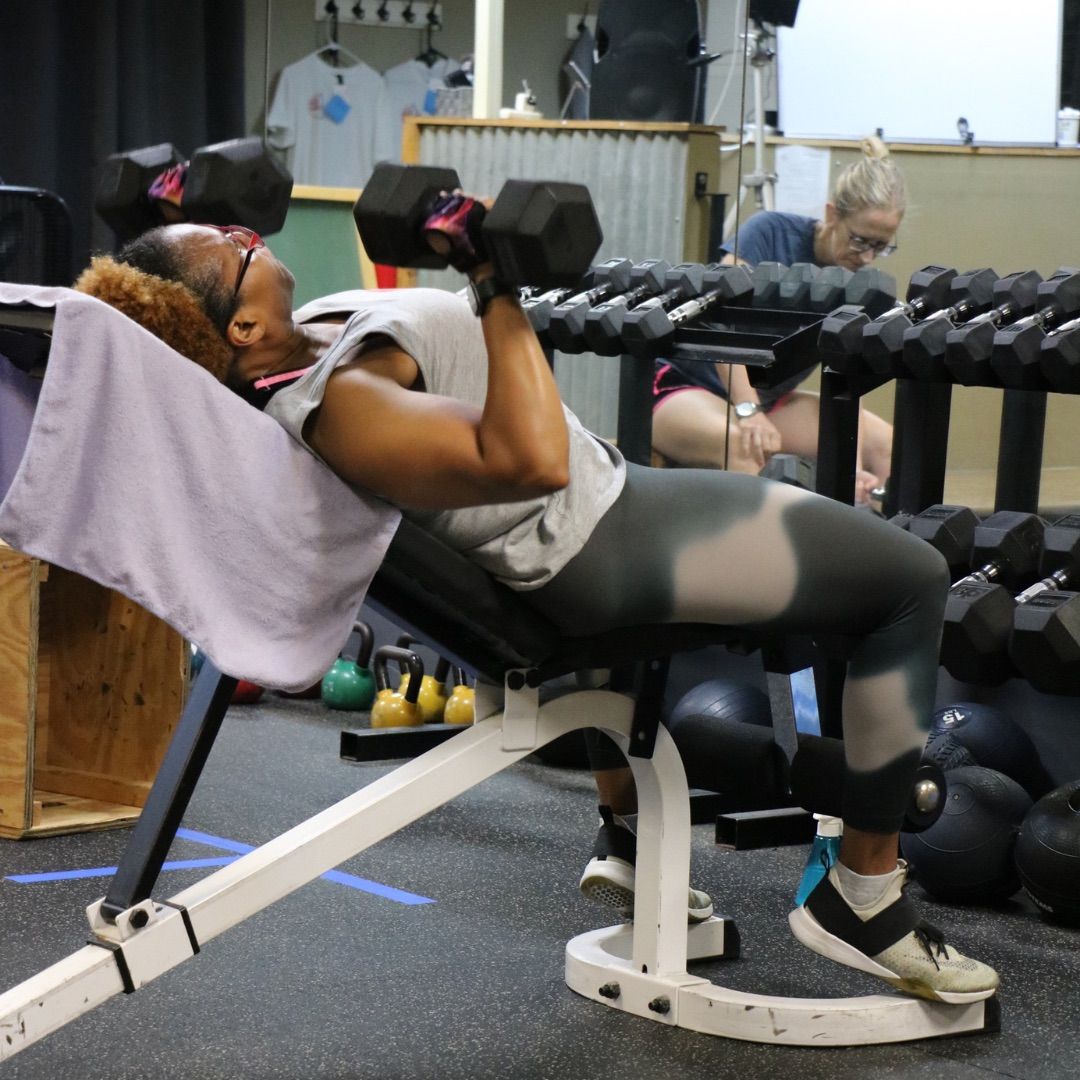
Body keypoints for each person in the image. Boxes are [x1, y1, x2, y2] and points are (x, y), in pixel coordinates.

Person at [73, 192, 996, 1006]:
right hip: (605, 536)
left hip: (600, 514)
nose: (251, 234)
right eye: (235, 245)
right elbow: (528, 460)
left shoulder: (310, 345)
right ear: (241, 329)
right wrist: (494, 282)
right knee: (908, 581)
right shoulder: (339, 402)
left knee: (817, 582)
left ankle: (630, 842)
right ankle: (863, 898)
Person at [652, 135, 904, 504]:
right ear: (832, 215)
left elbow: (847, 378)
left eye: (881, 247)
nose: (867, 258)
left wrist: (850, 469)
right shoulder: (768, 232)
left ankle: (880, 555)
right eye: (860, 241)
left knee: (888, 445)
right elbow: (718, 321)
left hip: (769, 402)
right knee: (748, 446)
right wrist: (747, 409)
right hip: (687, 388)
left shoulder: (857, 281)